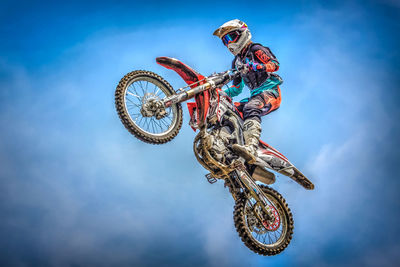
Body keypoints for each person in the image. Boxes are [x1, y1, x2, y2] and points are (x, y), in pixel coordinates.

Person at [213, 19, 283, 163]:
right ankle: (223, 146)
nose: (228, 43)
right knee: (229, 111)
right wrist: (218, 91)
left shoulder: (255, 49)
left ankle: (251, 147)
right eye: (225, 41)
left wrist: (258, 67)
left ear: (243, 33)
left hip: (270, 92)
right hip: (255, 95)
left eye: (230, 38)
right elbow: (237, 89)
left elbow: (275, 65)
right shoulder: (237, 62)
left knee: (251, 107)